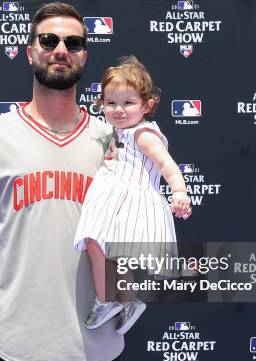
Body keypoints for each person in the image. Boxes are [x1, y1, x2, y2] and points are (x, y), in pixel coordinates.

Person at [0, 3, 123, 361]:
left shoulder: (112, 140)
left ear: (83, 56)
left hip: (98, 338)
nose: (61, 49)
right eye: (49, 40)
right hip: (21, 339)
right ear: (30, 52)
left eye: (73, 42)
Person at [74, 56, 191, 335]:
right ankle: (127, 302)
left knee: (96, 243)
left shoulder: (143, 134)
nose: (119, 110)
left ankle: (105, 300)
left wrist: (179, 190)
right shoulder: (116, 131)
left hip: (131, 198)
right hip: (116, 196)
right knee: (117, 255)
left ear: (147, 105)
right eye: (111, 103)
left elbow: (167, 165)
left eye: (128, 103)